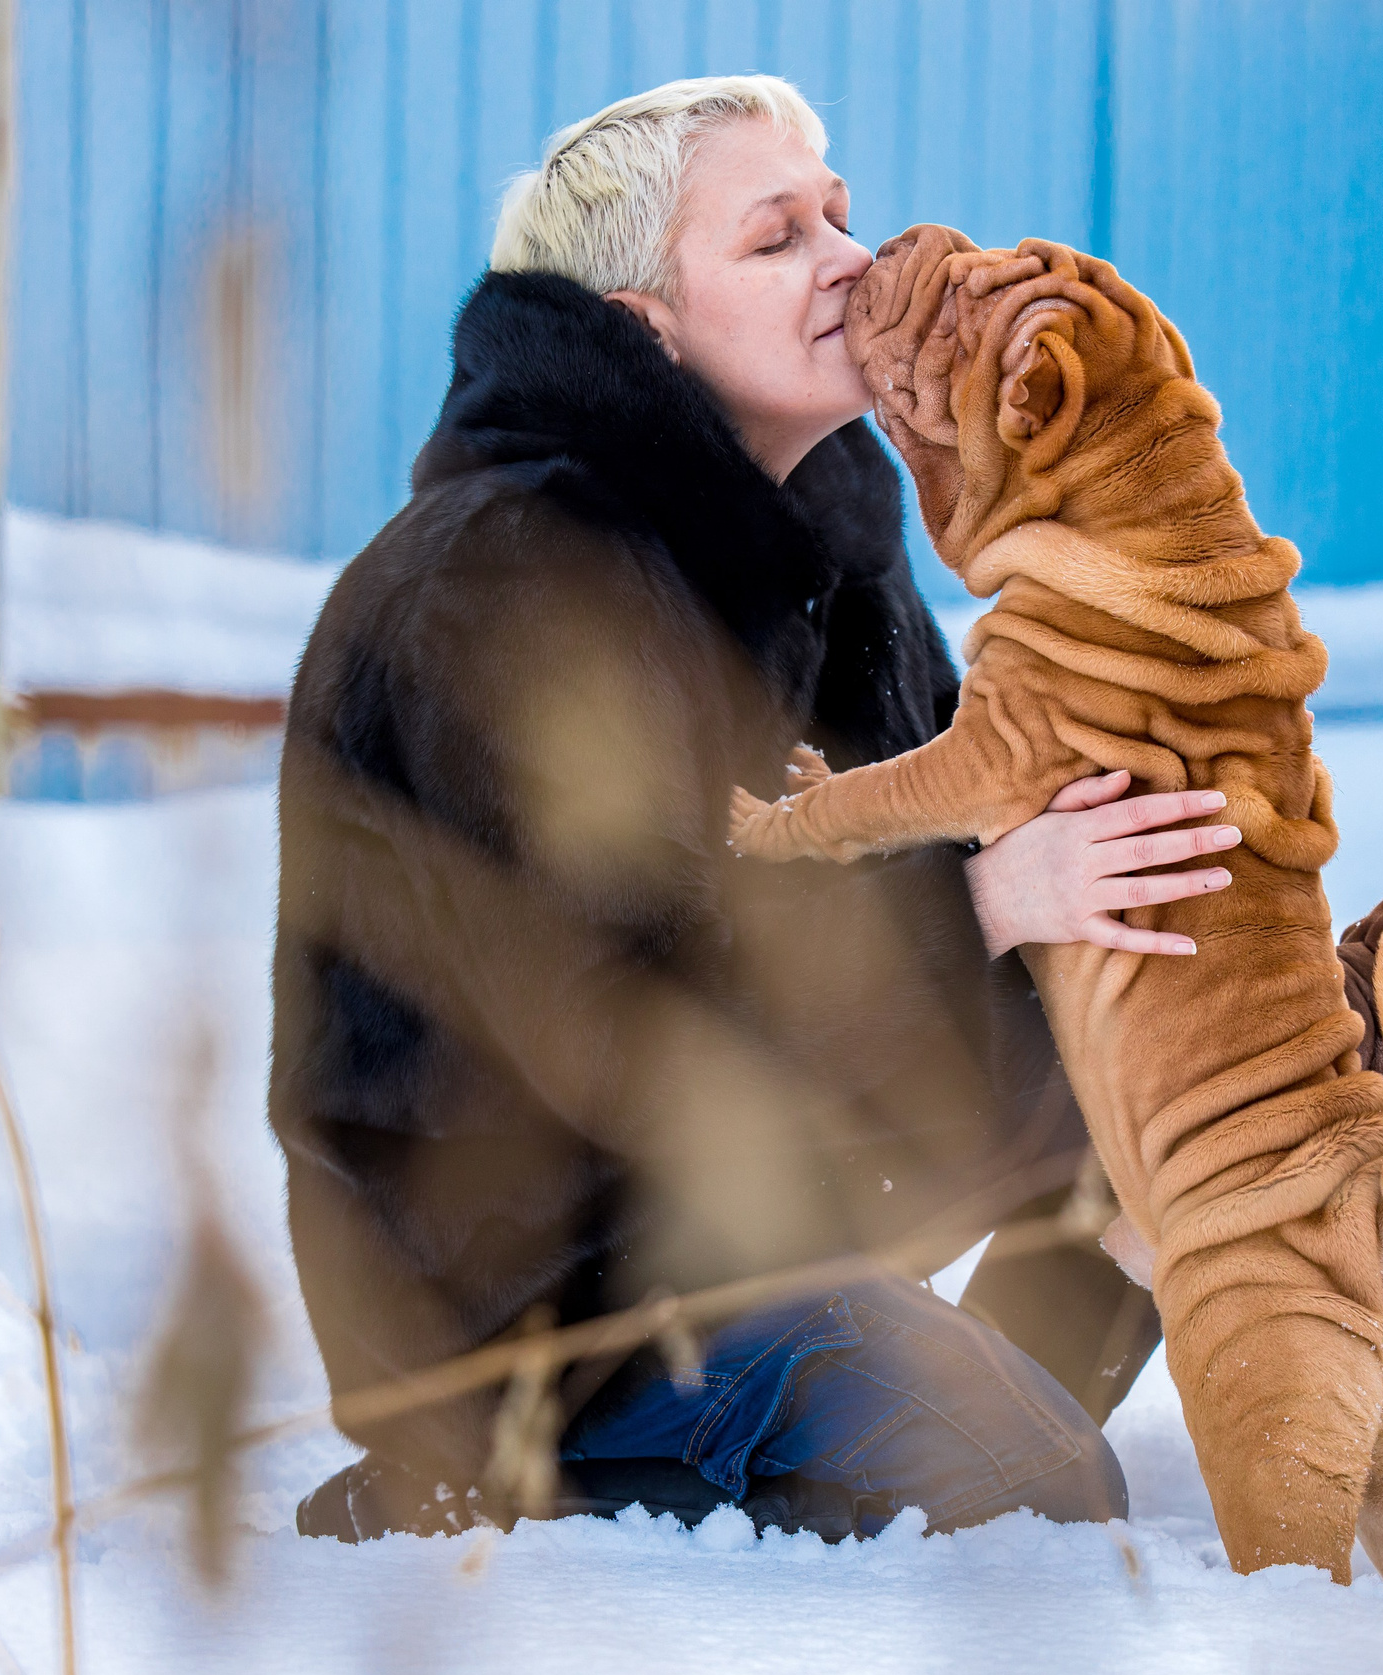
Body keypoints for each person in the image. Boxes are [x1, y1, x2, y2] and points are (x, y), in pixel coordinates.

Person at [273, 76, 1243, 1544]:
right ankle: (481, 1495)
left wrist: (1129, 1131)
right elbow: (629, 1018)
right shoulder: (502, 579)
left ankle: (925, 1431)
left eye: (839, 216)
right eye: (778, 238)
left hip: (761, 1223)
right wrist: (990, 901)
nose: (852, 258)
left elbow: (943, 892)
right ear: (645, 325)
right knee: (1032, 1485)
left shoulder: (833, 568)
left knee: (1186, 1115)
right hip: (550, 1315)